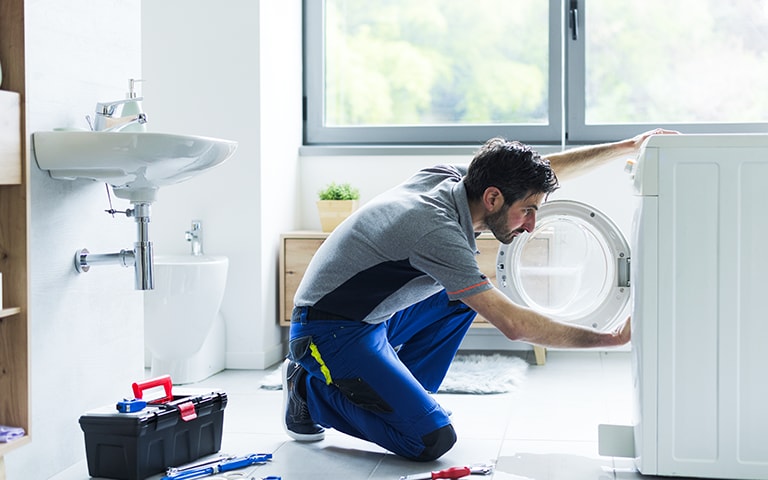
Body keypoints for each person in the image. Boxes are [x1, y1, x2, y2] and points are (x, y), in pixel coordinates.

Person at [282, 129, 676, 462]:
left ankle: (397, 394)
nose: (532, 225)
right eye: (527, 211)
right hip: (326, 330)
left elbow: (544, 171)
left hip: (372, 317)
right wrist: (608, 340)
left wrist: (626, 146)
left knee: (457, 301)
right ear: (493, 199)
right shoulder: (436, 230)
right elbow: (514, 326)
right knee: (430, 440)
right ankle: (308, 390)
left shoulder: (451, 179)